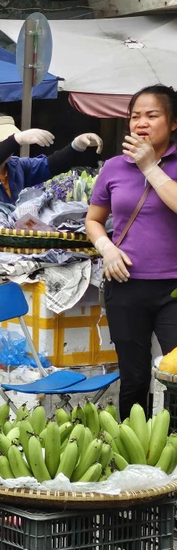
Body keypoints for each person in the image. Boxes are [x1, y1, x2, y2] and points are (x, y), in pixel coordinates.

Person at [0, 113, 103, 386]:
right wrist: (16, 139)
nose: (9, 150)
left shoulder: (15, 169)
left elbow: (49, 165)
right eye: (3, 144)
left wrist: (77, 146)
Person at [86, 85, 177, 419]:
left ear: (173, 122)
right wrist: (106, 247)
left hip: (173, 288)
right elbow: (93, 220)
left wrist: (151, 167)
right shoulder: (113, 167)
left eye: (152, 115)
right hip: (124, 285)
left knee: (176, 375)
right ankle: (135, 454)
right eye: (135, 116)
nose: (142, 123)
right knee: (134, 378)